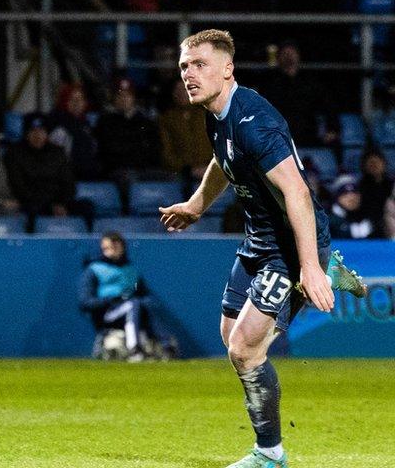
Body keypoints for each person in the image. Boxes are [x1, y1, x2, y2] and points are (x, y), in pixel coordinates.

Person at [159, 29, 365, 468]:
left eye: (199, 65)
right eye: (183, 67)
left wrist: (308, 265)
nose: (189, 76)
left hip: (289, 247)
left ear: (227, 69)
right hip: (258, 241)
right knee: (229, 336)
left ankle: (270, 453)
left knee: (245, 350)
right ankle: (322, 270)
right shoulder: (217, 112)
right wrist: (197, 205)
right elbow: (222, 160)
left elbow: (297, 192)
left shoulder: (256, 122)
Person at [78, 232, 155, 361]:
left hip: (133, 314)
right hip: (107, 314)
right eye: (107, 248)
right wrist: (110, 300)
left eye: (114, 246)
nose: (110, 251)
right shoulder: (94, 269)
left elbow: (142, 293)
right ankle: (134, 350)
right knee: (132, 304)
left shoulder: (131, 270)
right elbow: (85, 302)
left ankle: (165, 345)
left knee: (140, 305)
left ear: (122, 247)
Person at [4, 113, 89, 231]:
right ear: (26, 134)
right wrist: (50, 205)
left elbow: (69, 182)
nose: (37, 135)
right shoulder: (14, 154)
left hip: (58, 202)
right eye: (33, 131)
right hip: (33, 202)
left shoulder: (58, 152)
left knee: (87, 207)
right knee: (31, 210)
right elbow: (18, 186)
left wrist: (61, 203)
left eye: (41, 131)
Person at [158, 79, 212, 181]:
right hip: (179, 174)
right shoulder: (166, 119)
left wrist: (209, 167)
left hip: (210, 169)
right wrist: (187, 170)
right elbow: (166, 152)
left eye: (186, 89)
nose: (181, 93)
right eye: (177, 90)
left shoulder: (207, 115)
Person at [327, 175, 377, 239]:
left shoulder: (370, 215)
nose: (351, 197)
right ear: (336, 197)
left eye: (354, 192)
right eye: (345, 193)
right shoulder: (328, 220)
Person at [358, 149, 393, 234]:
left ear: (384, 164)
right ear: (364, 166)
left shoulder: (392, 185)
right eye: (370, 163)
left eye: (377, 162)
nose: (374, 165)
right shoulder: (359, 186)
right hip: (368, 227)